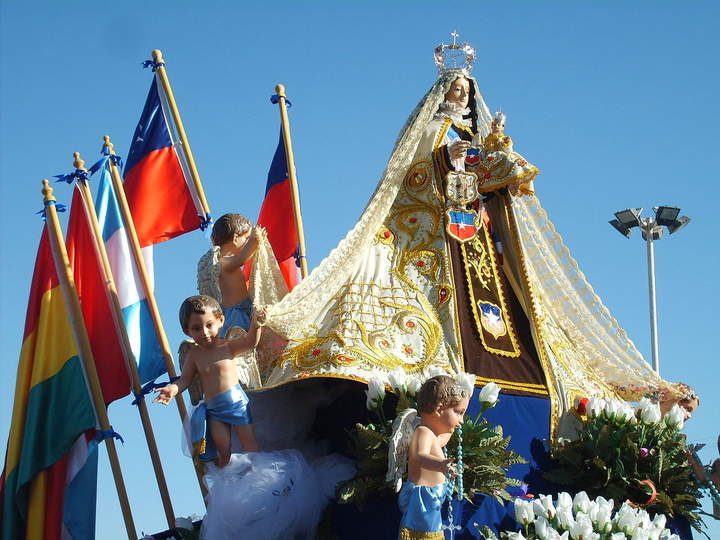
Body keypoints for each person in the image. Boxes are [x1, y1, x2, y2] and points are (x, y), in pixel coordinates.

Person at [154, 294, 262, 466]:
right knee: (223, 446)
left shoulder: (227, 346)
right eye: (196, 328)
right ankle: (226, 479)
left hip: (237, 404)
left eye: (209, 325)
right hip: (214, 409)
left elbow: (250, 342)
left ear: (220, 320)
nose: (204, 332)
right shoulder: (194, 355)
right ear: (187, 331)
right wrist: (172, 390)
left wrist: (256, 325)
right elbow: (185, 380)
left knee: (249, 443)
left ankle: (256, 474)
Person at [398, 375, 469, 540]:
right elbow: (420, 456)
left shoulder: (431, 434)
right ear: (439, 409)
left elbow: (440, 441)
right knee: (424, 535)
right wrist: (440, 464)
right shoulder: (422, 432)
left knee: (432, 533)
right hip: (423, 499)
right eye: (459, 413)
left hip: (432, 498)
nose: (462, 420)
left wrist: (451, 428)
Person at [197, 213, 258, 338]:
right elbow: (242, 258)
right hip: (236, 316)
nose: (247, 241)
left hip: (236, 313)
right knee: (244, 348)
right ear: (235, 238)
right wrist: (255, 240)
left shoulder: (220, 262)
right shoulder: (223, 262)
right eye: (246, 238)